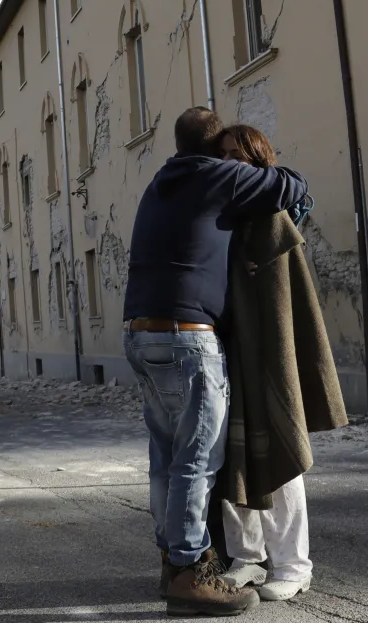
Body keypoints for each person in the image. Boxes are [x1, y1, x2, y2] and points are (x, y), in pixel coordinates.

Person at [122, 106, 307, 618]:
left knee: (165, 457)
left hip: (141, 334)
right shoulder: (214, 176)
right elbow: (292, 185)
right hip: (187, 338)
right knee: (197, 461)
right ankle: (188, 572)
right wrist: (251, 169)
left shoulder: (162, 181)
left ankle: (170, 560)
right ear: (212, 151)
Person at [217, 124, 348, 602]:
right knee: (230, 458)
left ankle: (294, 564)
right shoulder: (222, 215)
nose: (232, 163)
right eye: (224, 154)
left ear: (258, 159)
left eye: (241, 155)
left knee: (280, 451)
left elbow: (285, 302)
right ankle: (246, 558)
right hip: (229, 353)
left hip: (269, 355)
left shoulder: (271, 212)